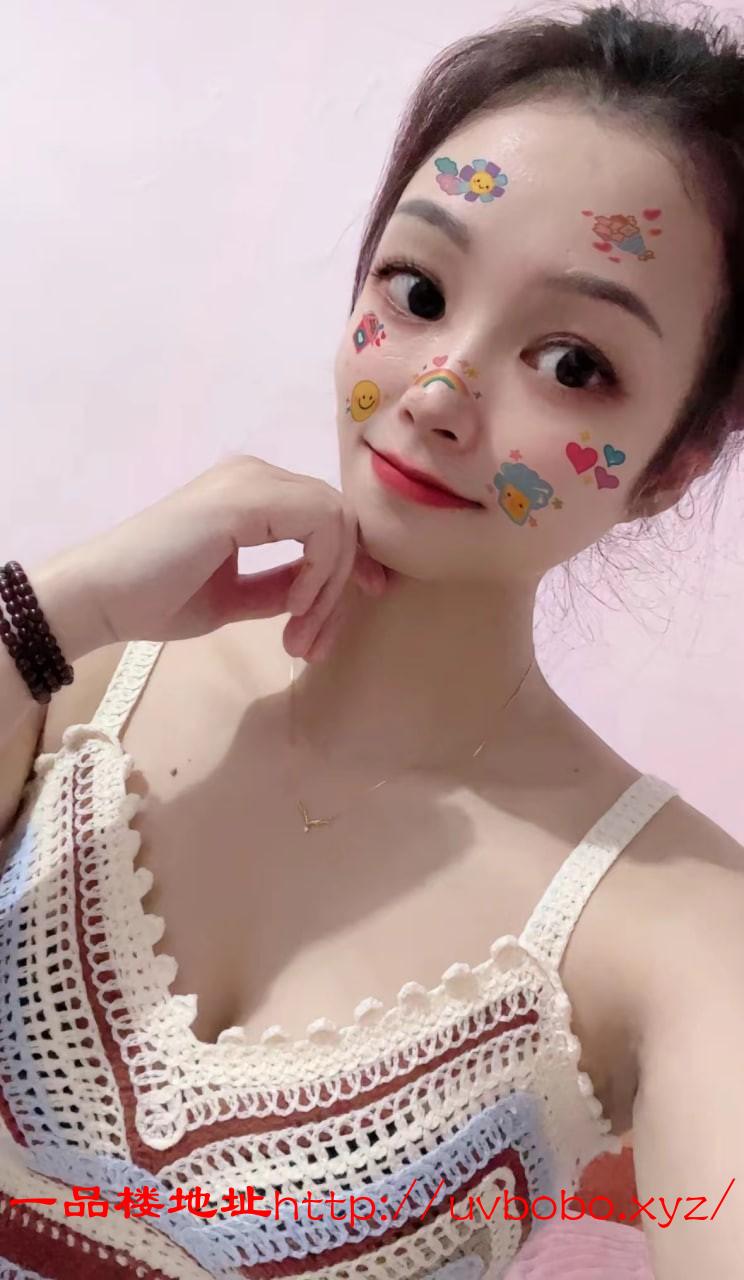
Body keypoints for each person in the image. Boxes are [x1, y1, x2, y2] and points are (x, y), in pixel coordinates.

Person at [0, 2, 742, 1277]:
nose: (440, 390)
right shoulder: (72, 678)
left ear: (671, 466)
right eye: (420, 290)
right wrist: (53, 609)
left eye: (572, 361)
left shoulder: (675, 924)